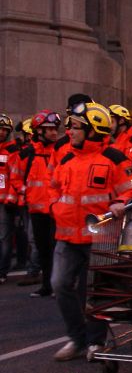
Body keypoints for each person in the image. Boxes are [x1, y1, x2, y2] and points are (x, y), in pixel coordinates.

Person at [49, 102, 132, 360]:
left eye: (76, 127)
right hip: (66, 237)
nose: (70, 132)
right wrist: (54, 205)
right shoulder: (66, 158)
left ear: (92, 131)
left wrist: (121, 202)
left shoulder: (114, 159)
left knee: (94, 291)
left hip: (99, 236)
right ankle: (77, 338)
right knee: (60, 284)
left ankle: (95, 342)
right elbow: (52, 186)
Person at [10, 110, 62, 297]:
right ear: (39, 131)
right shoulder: (27, 154)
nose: (54, 133)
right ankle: (47, 285)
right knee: (43, 249)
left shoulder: (61, 151)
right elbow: (15, 177)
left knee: (58, 249)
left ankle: (58, 285)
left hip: (56, 210)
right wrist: (26, 192)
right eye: (49, 130)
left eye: (55, 129)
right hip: (37, 209)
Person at [0, 113, 19, 284]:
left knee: (4, 238)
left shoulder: (12, 151)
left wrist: (11, 200)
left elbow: (15, 177)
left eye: (4, 130)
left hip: (5, 202)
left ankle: (2, 271)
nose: (1, 132)